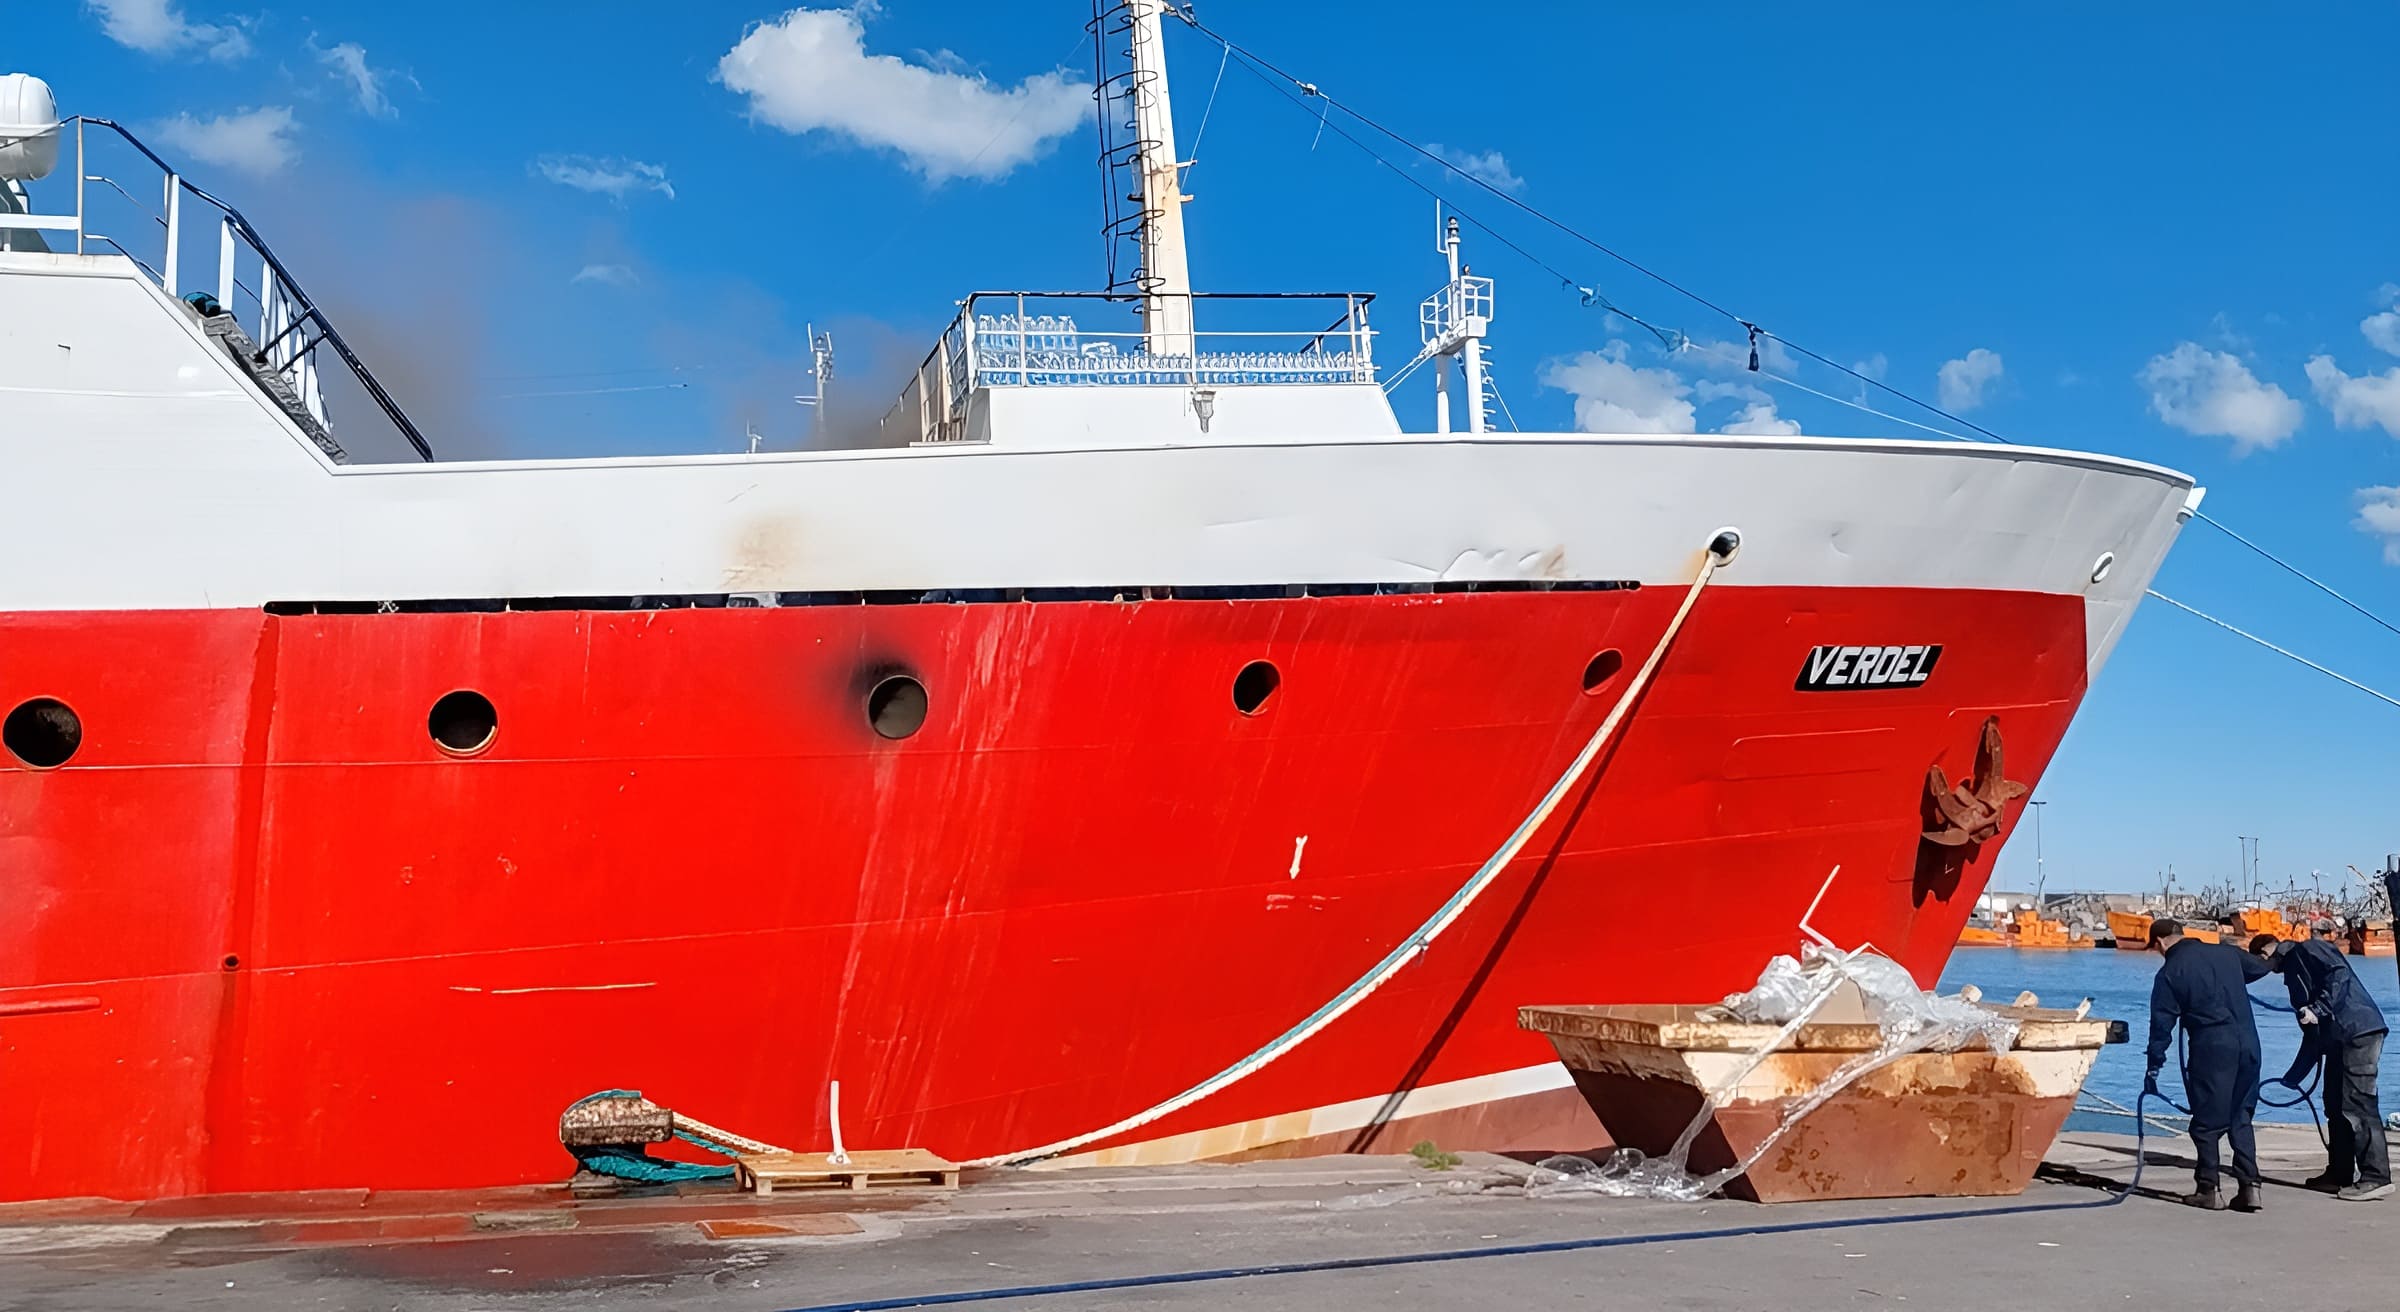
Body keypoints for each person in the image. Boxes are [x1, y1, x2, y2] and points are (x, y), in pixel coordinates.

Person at [2250, 931, 2393, 1200]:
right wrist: (2293, 1077)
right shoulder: (2293, 975)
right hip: (2337, 1039)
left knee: (2357, 1104)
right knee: (2334, 1104)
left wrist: (2318, 1008)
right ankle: (2339, 1173)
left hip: (2357, 1031)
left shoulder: (2309, 949)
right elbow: (2311, 1034)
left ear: (2266, 953)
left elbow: (2338, 974)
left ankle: (2376, 1176)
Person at [2146, 918, 2272, 1211]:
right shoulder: (2227, 954)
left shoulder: (2170, 972)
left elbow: (2161, 1026)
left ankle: (2208, 1188)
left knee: (2206, 1123)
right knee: (2240, 1116)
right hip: (2249, 1044)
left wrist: (2153, 1066)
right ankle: (2250, 1187)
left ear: (2160, 942)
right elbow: (2260, 967)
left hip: (2213, 1049)